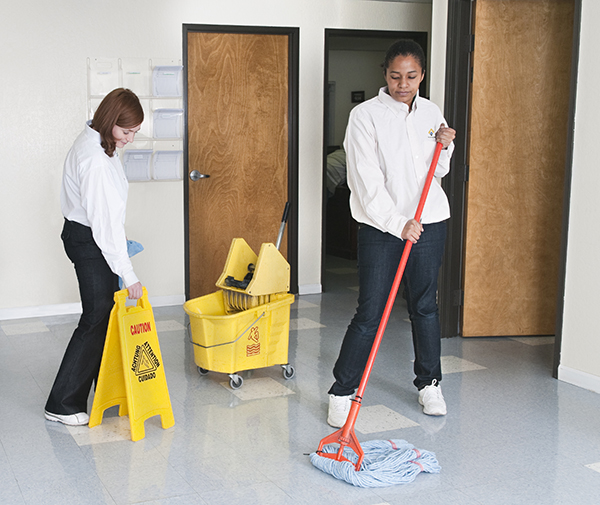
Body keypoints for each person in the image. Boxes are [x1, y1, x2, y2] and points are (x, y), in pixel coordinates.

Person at [327, 40, 456, 428]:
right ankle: (342, 391)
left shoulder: (431, 111)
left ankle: (429, 383)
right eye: (396, 75)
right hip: (382, 228)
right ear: (385, 73)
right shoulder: (365, 116)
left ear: (422, 75)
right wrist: (398, 222)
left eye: (412, 76)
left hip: (430, 220)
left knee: (424, 305)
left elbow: (438, 171)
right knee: (371, 309)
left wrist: (446, 146)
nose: (404, 84)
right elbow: (365, 180)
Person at [44, 88, 144, 426]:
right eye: (126, 131)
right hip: (88, 239)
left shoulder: (101, 142)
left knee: (103, 312)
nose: (130, 139)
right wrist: (128, 274)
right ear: (109, 120)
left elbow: (108, 216)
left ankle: (104, 389)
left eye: (134, 132)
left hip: (89, 235)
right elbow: (103, 223)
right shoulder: (95, 159)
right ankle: (62, 403)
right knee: (96, 314)